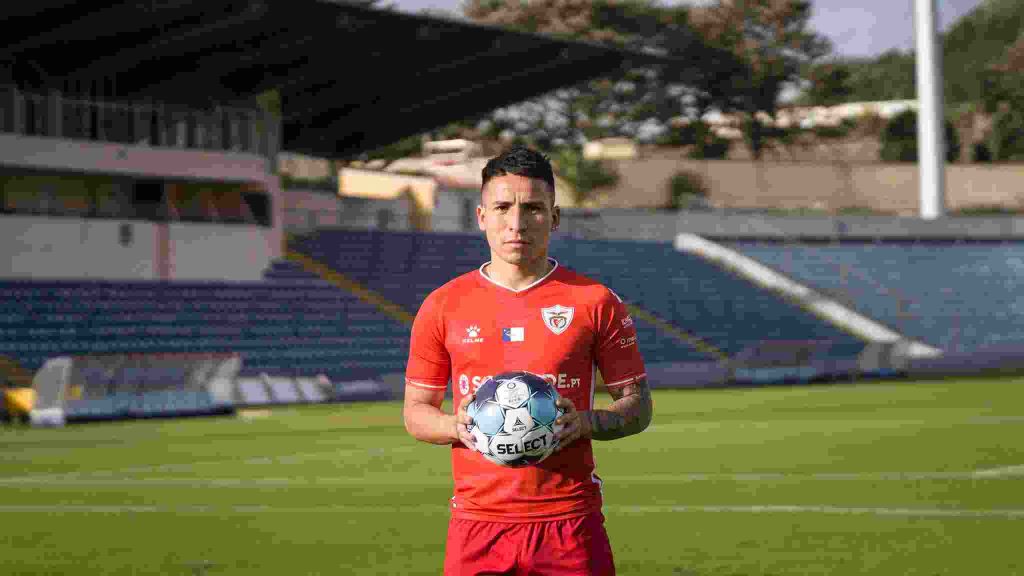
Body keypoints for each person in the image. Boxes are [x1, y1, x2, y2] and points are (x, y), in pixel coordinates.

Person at [403, 145, 653, 576]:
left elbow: (638, 406)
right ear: (481, 217)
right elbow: (415, 412)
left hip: (570, 524)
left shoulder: (595, 302)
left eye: (533, 208)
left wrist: (585, 423)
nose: (516, 222)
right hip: (477, 525)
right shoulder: (442, 305)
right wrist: (454, 426)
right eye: (502, 207)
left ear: (554, 218)